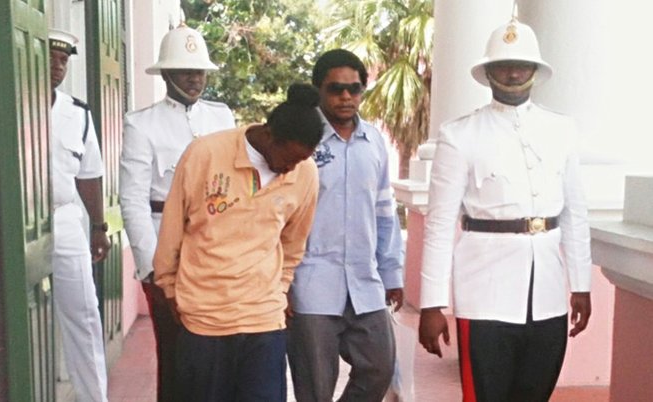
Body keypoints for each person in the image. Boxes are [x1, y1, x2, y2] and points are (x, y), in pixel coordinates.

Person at [418, 16, 592, 402]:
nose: (513, 73)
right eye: (503, 65)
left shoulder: (561, 130)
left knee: (534, 394)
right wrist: (432, 303)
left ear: (535, 70)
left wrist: (581, 285)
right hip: (484, 293)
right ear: (488, 72)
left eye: (522, 65)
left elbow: (575, 214)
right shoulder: (459, 134)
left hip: (547, 291)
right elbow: (440, 224)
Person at [153, 83, 323, 402]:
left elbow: (293, 243)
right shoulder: (205, 153)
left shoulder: (305, 173)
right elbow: (173, 227)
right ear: (270, 136)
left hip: (264, 319)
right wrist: (169, 287)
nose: (291, 170)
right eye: (288, 160)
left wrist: (281, 287)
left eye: (301, 161)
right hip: (205, 320)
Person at [119, 23, 235, 401]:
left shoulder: (222, 118)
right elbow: (133, 199)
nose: (195, 78)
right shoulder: (142, 124)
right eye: (186, 70)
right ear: (166, 73)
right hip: (166, 250)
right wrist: (152, 267)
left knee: (220, 351)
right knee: (175, 352)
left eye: (200, 70)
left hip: (216, 253)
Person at [286, 49, 405, 402]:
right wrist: (282, 284)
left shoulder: (374, 142)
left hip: (364, 281)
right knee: (315, 387)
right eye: (336, 88)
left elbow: (385, 212)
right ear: (319, 90)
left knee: (380, 367)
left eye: (354, 89)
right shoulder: (301, 140)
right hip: (311, 283)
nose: (346, 97)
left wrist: (392, 273)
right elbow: (280, 216)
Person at [49, 29, 110, 402]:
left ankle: (94, 398)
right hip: (16, 222)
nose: (58, 66)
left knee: (84, 316)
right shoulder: (9, 103)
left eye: (64, 59)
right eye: (51, 57)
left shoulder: (77, 113)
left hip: (65, 219)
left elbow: (89, 174)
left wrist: (98, 227)